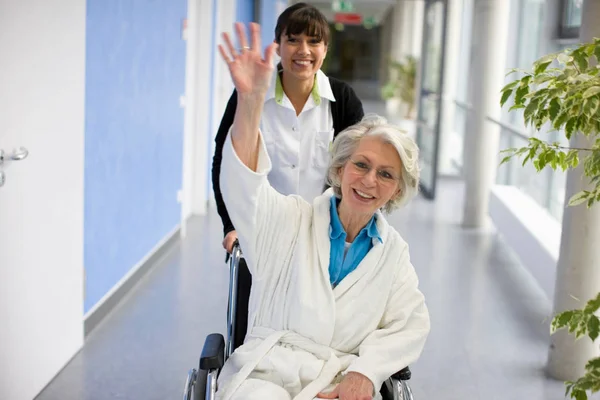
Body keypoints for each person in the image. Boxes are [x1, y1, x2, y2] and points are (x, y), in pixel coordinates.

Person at [216, 22, 430, 400]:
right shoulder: (290, 219)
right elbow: (244, 189)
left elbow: (410, 324)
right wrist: (250, 103)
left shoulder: (393, 255)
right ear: (340, 169)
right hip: (267, 375)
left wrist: (366, 372)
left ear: (397, 189)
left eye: (385, 174)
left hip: (338, 381)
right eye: (361, 165)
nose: (368, 181)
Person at [212, 2, 365, 253]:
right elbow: (223, 160)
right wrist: (231, 225)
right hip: (260, 236)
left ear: (325, 49)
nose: (303, 50)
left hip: (322, 238)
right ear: (278, 46)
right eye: (293, 40)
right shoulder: (253, 93)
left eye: (314, 41)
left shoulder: (343, 100)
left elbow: (357, 169)